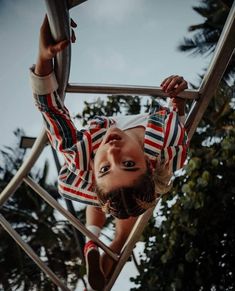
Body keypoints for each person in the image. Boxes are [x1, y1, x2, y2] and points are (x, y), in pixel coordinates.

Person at [30, 16, 189, 290]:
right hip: (132, 188)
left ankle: (91, 240)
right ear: (149, 165)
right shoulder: (166, 143)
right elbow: (177, 116)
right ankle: (99, 244)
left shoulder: (82, 155)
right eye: (128, 163)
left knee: (107, 194)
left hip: (83, 179)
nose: (113, 154)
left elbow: (51, 110)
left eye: (106, 166)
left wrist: (43, 59)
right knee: (124, 229)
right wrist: (178, 96)